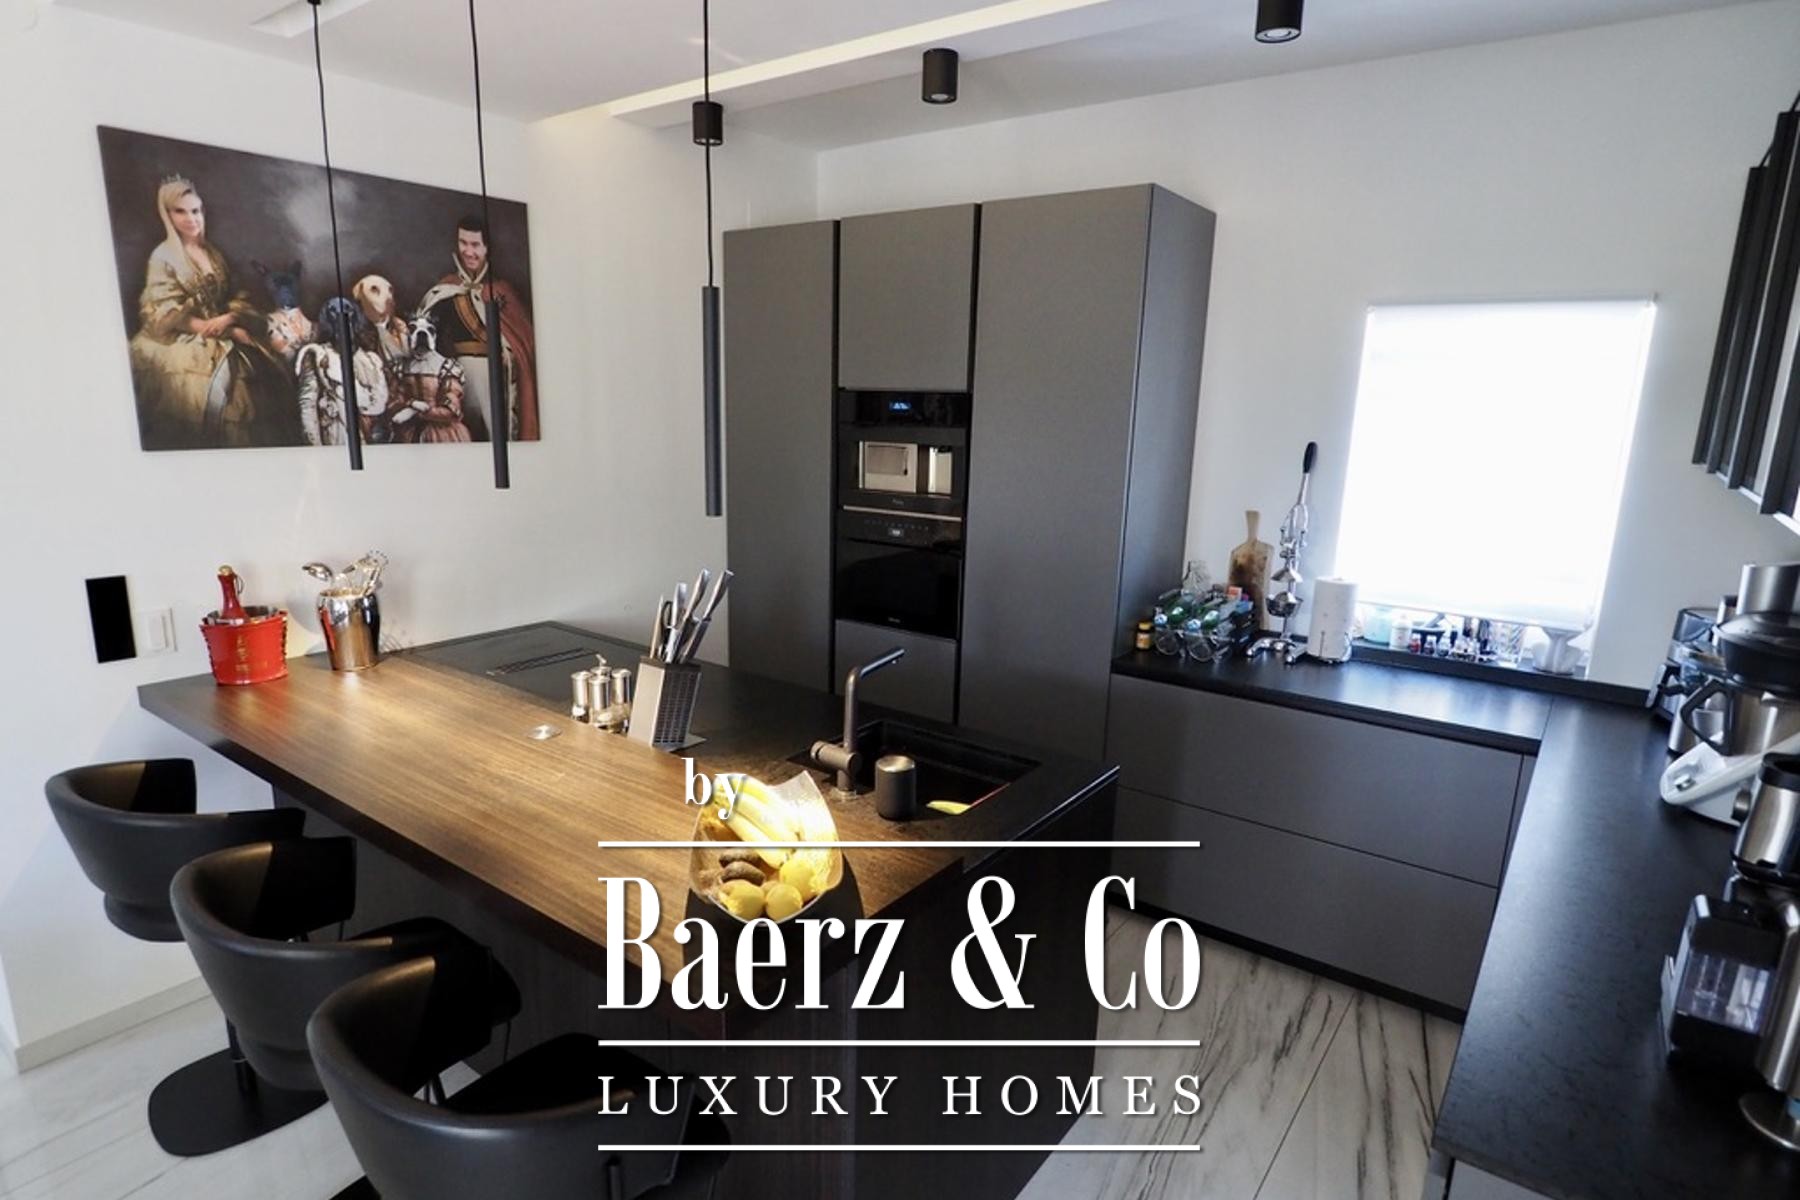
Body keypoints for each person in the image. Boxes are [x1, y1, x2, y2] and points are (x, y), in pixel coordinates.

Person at [127, 176, 297, 449]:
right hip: (183, 339)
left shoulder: (213, 254)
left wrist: (231, 317)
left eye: (195, 211)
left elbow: (233, 295)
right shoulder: (163, 257)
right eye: (180, 212)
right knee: (230, 393)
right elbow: (162, 314)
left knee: (270, 373)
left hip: (222, 327)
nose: (191, 219)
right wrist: (222, 330)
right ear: (167, 215)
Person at [417, 215, 538, 441]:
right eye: (463, 243)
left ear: (486, 248)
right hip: (455, 381)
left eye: (475, 245)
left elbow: (524, 346)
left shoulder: (502, 292)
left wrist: (508, 358)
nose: (468, 251)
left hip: (495, 379)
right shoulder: (443, 291)